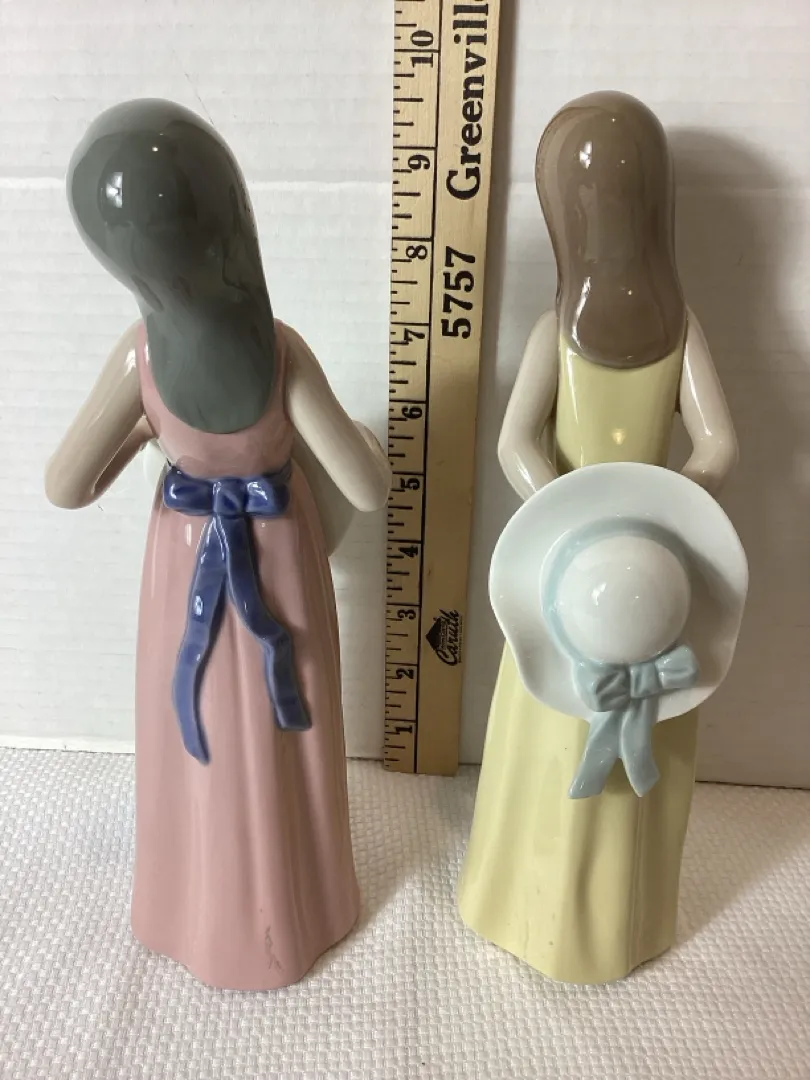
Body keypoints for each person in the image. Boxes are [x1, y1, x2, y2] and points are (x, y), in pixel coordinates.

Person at [45, 100, 390, 991]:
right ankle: (302, 906)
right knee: (283, 723)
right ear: (235, 220)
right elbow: (366, 485)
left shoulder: (140, 361)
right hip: (280, 557)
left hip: (183, 559)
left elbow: (66, 485)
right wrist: (354, 439)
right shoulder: (282, 354)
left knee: (193, 727)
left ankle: (188, 910)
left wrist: (155, 438)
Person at [458, 92, 739, 983]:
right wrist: (590, 509)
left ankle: (589, 918)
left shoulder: (670, 329)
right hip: (601, 567)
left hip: (634, 575)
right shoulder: (568, 331)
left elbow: (717, 445)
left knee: (581, 725)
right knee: (556, 722)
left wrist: (646, 510)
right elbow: (518, 443)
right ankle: (557, 911)